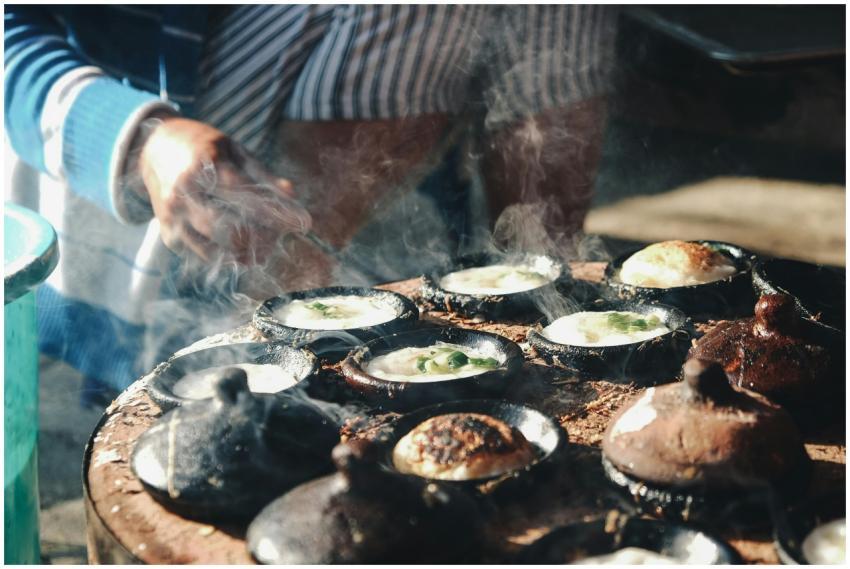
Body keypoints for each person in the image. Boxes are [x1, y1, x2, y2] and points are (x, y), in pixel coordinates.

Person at [5, 5, 618, 397]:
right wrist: (142, 139)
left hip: (376, 158)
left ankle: (546, 315)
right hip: (162, 163)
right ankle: (270, 353)